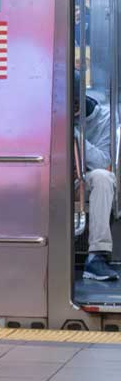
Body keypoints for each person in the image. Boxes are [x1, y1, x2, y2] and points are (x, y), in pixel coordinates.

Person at [79, 74, 120, 281]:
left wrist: (75, 135)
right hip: (55, 174)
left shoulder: (105, 118)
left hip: (84, 177)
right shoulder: (52, 113)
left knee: (104, 177)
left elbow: (103, 161)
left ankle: (97, 257)